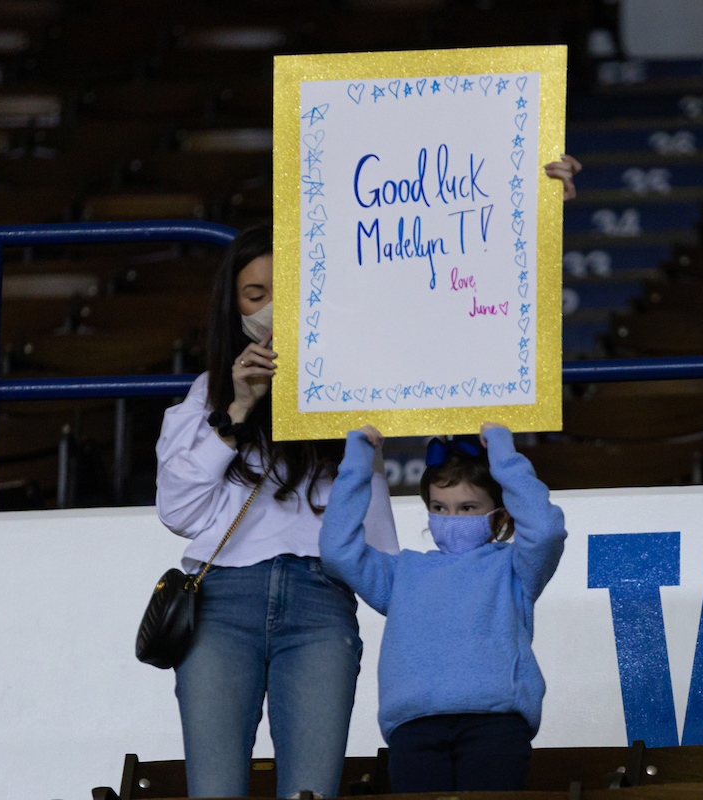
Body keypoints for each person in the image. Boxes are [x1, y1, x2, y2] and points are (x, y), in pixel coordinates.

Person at [154, 224, 400, 799]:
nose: (269, 311)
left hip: (320, 604)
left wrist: (370, 454)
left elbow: (379, 556)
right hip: (219, 607)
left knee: (310, 795)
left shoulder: (348, 395)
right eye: (254, 295)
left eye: (283, 294)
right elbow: (178, 511)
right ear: (232, 307)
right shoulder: (204, 395)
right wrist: (237, 408)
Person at [319, 422, 568, 793]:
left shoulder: (516, 567)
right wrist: (358, 460)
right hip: (414, 727)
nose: (451, 519)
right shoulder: (401, 571)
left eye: (467, 507)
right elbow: (337, 550)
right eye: (439, 507)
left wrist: (502, 453)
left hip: (495, 724)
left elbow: (546, 530)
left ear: (499, 515)